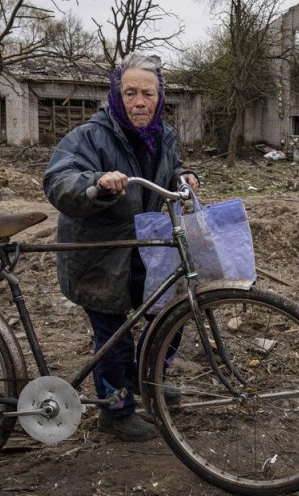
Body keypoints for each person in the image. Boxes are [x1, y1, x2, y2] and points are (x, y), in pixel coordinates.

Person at [43, 53, 198, 442]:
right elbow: (59, 180)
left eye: (147, 93)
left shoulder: (163, 135)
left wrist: (183, 175)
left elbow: (170, 166)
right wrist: (95, 183)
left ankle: (147, 380)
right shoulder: (88, 136)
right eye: (130, 93)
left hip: (144, 248)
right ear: (117, 94)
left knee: (172, 315)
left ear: (159, 97)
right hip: (100, 255)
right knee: (114, 334)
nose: (139, 101)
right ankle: (116, 409)